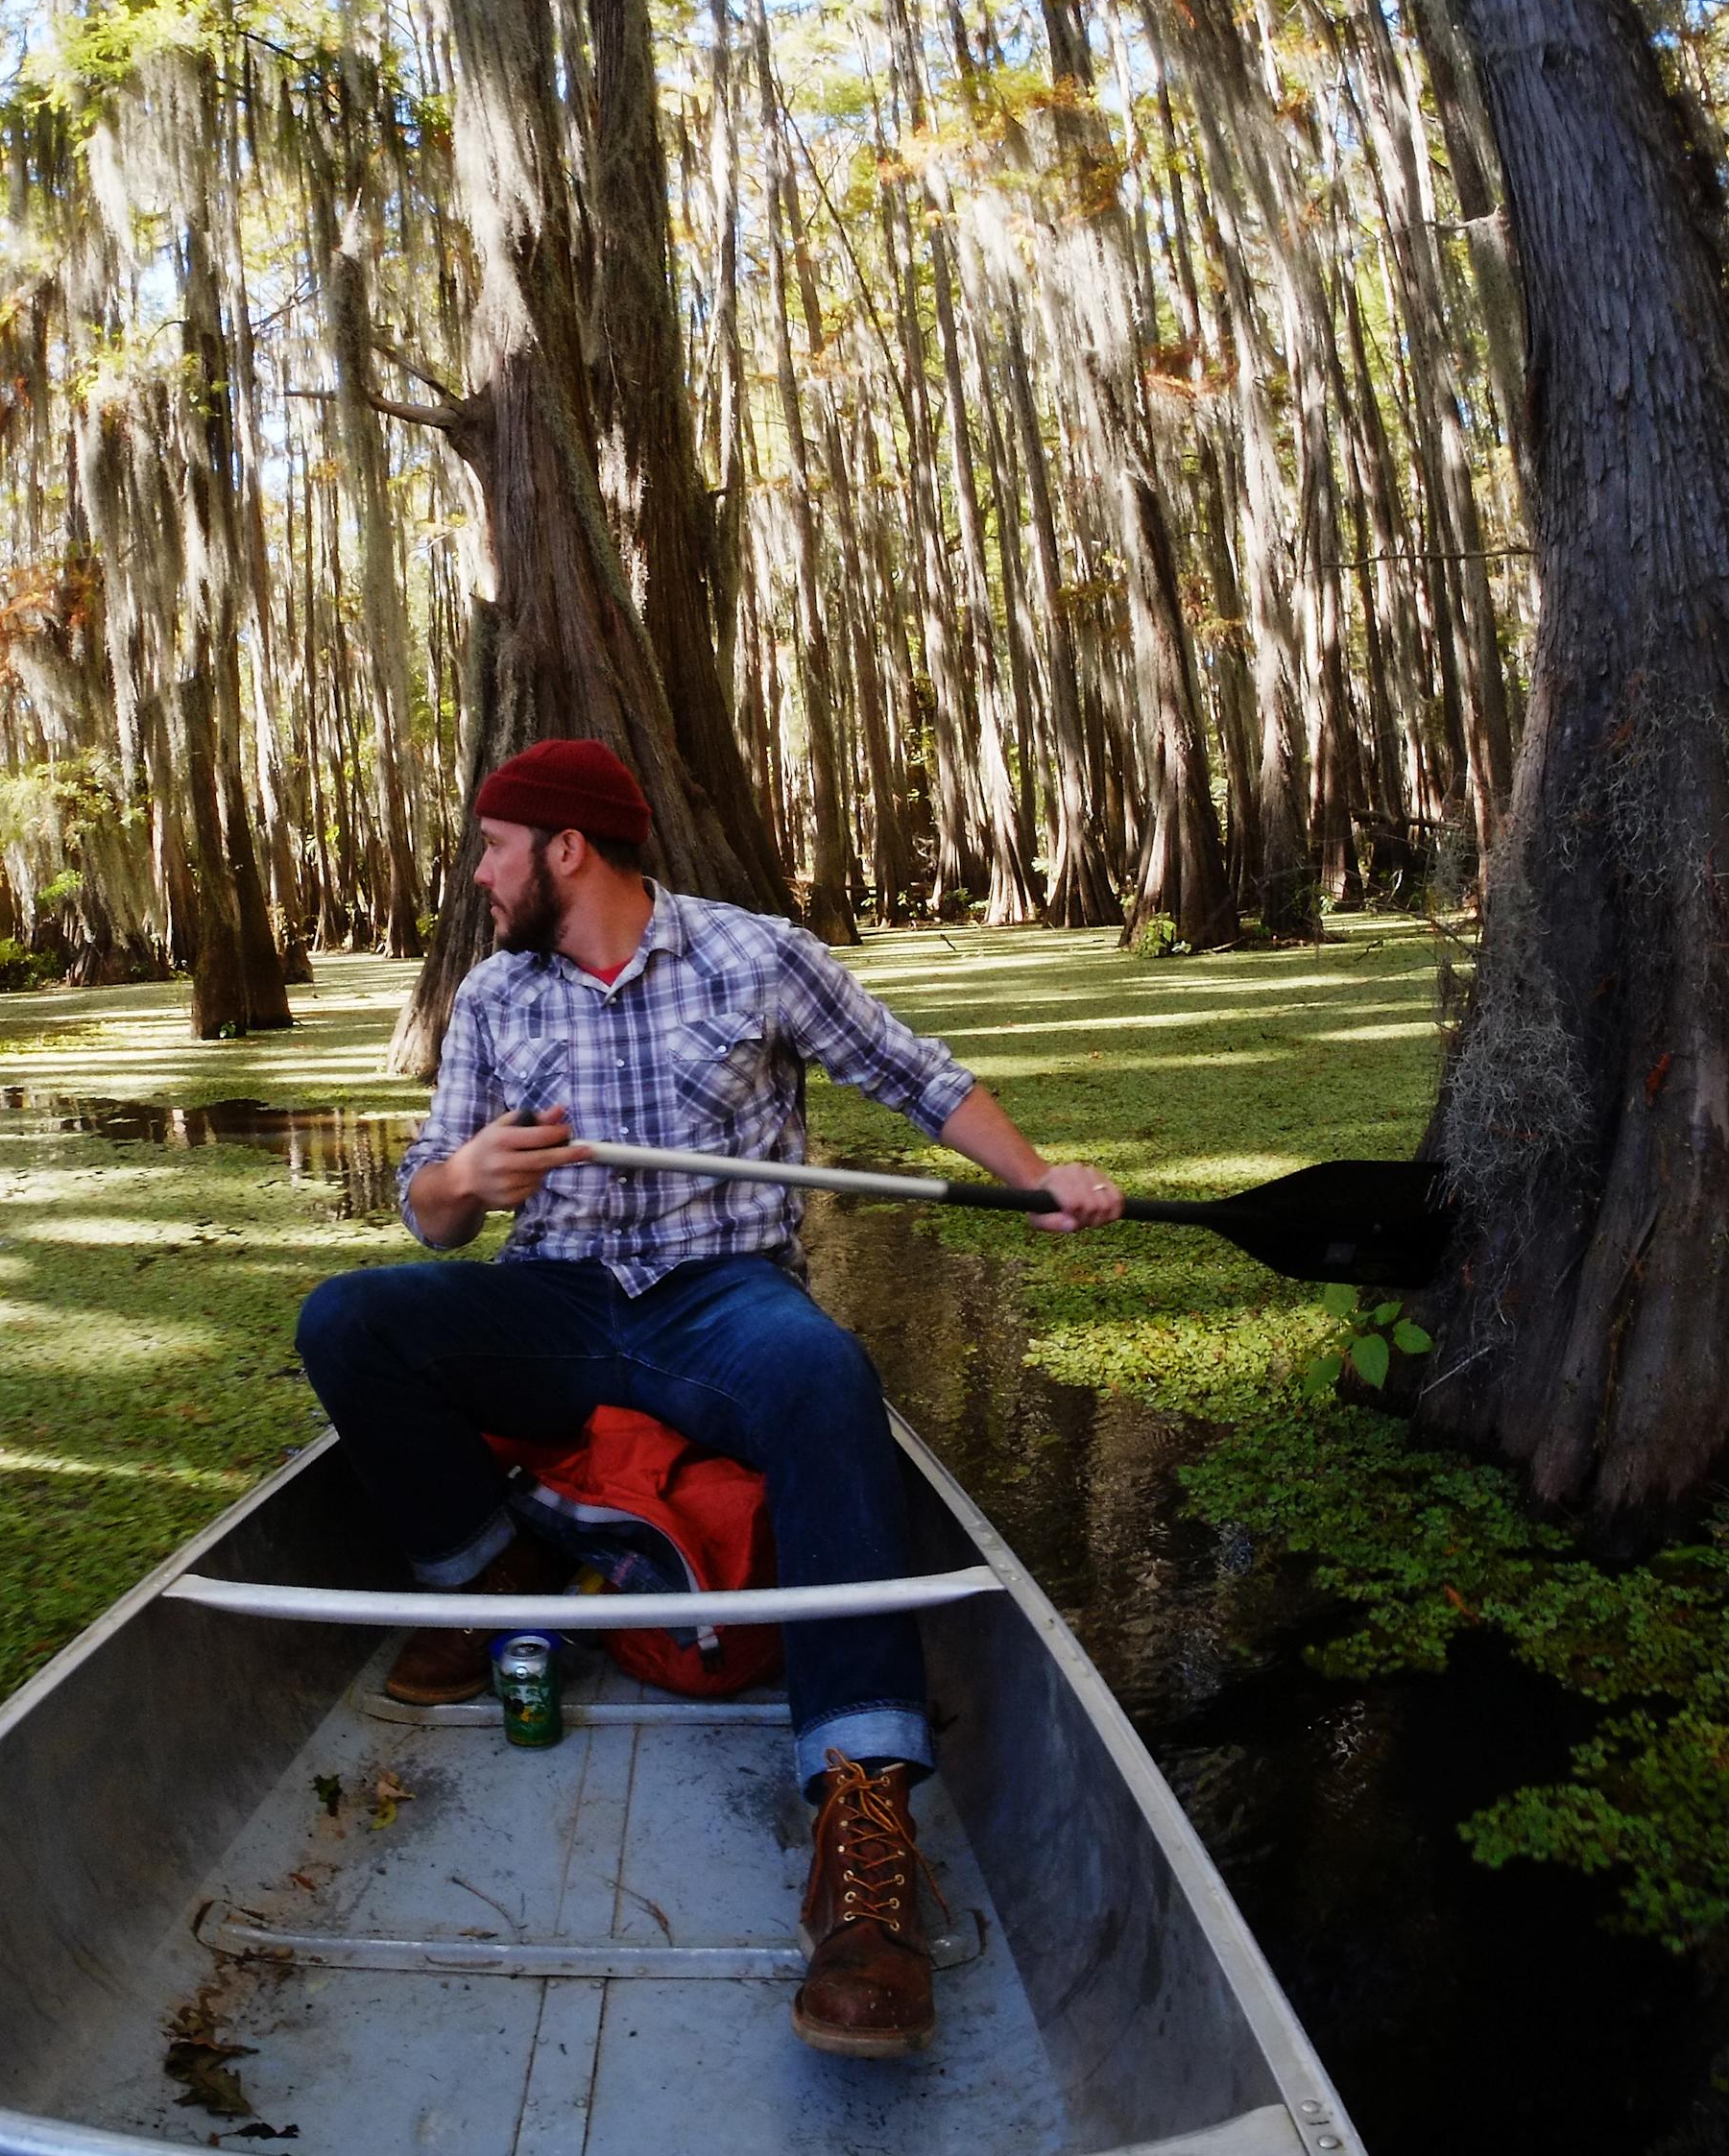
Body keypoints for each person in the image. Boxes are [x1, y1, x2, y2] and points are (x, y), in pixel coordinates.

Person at [292, 737, 1122, 2061]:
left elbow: (920, 1075)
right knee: (348, 1320)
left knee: (823, 1374)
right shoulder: (497, 998)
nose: (480, 875)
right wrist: (467, 1183)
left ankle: (860, 1816)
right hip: (559, 1304)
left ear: (567, 848)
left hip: (716, 1298)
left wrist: (1038, 1175)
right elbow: (427, 1209)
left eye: (495, 849)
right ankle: (497, 1585)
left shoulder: (756, 954)